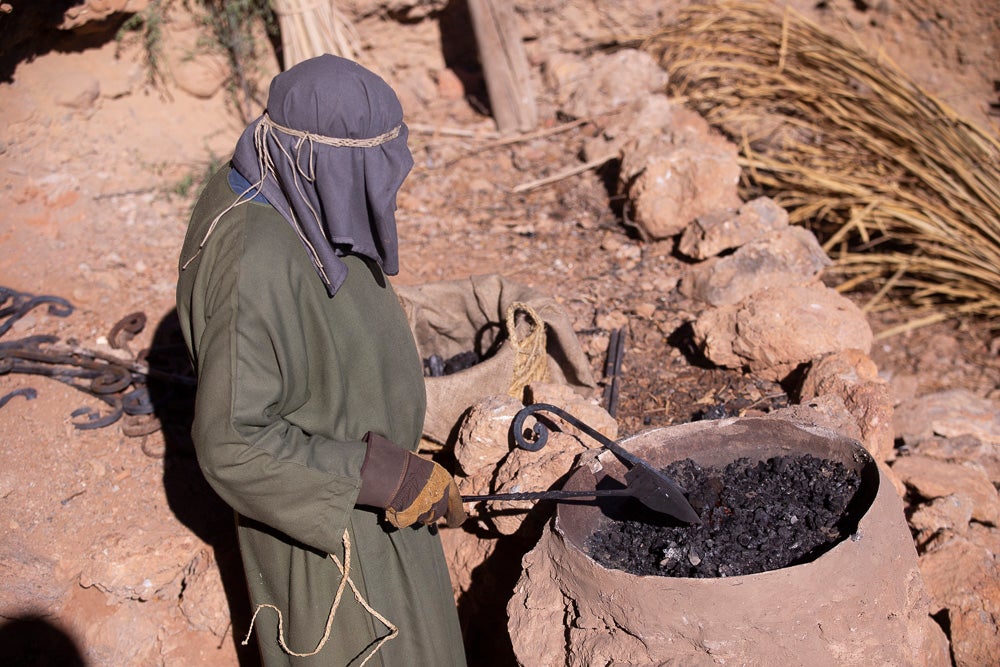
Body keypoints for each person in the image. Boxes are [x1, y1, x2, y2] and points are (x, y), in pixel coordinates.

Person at [175, 54, 468, 666]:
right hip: (331, 541)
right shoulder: (252, 261)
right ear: (317, 162)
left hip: (377, 491)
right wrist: (380, 475)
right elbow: (233, 442)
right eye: (357, 176)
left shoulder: (287, 180)